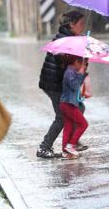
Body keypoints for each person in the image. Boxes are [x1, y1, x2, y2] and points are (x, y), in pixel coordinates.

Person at [37, 10, 87, 158]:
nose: (83, 26)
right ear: (71, 24)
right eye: (81, 23)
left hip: (58, 83)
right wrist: (79, 64)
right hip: (54, 84)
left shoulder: (72, 39)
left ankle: (73, 141)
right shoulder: (64, 41)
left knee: (79, 108)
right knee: (62, 117)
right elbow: (64, 65)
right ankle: (43, 147)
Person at [60, 56, 89, 159]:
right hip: (68, 104)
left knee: (68, 126)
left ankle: (65, 151)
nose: (84, 67)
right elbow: (74, 86)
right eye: (83, 64)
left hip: (66, 103)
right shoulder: (69, 72)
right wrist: (81, 74)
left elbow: (76, 86)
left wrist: (82, 74)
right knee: (83, 124)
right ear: (76, 62)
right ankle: (71, 145)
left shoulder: (71, 71)